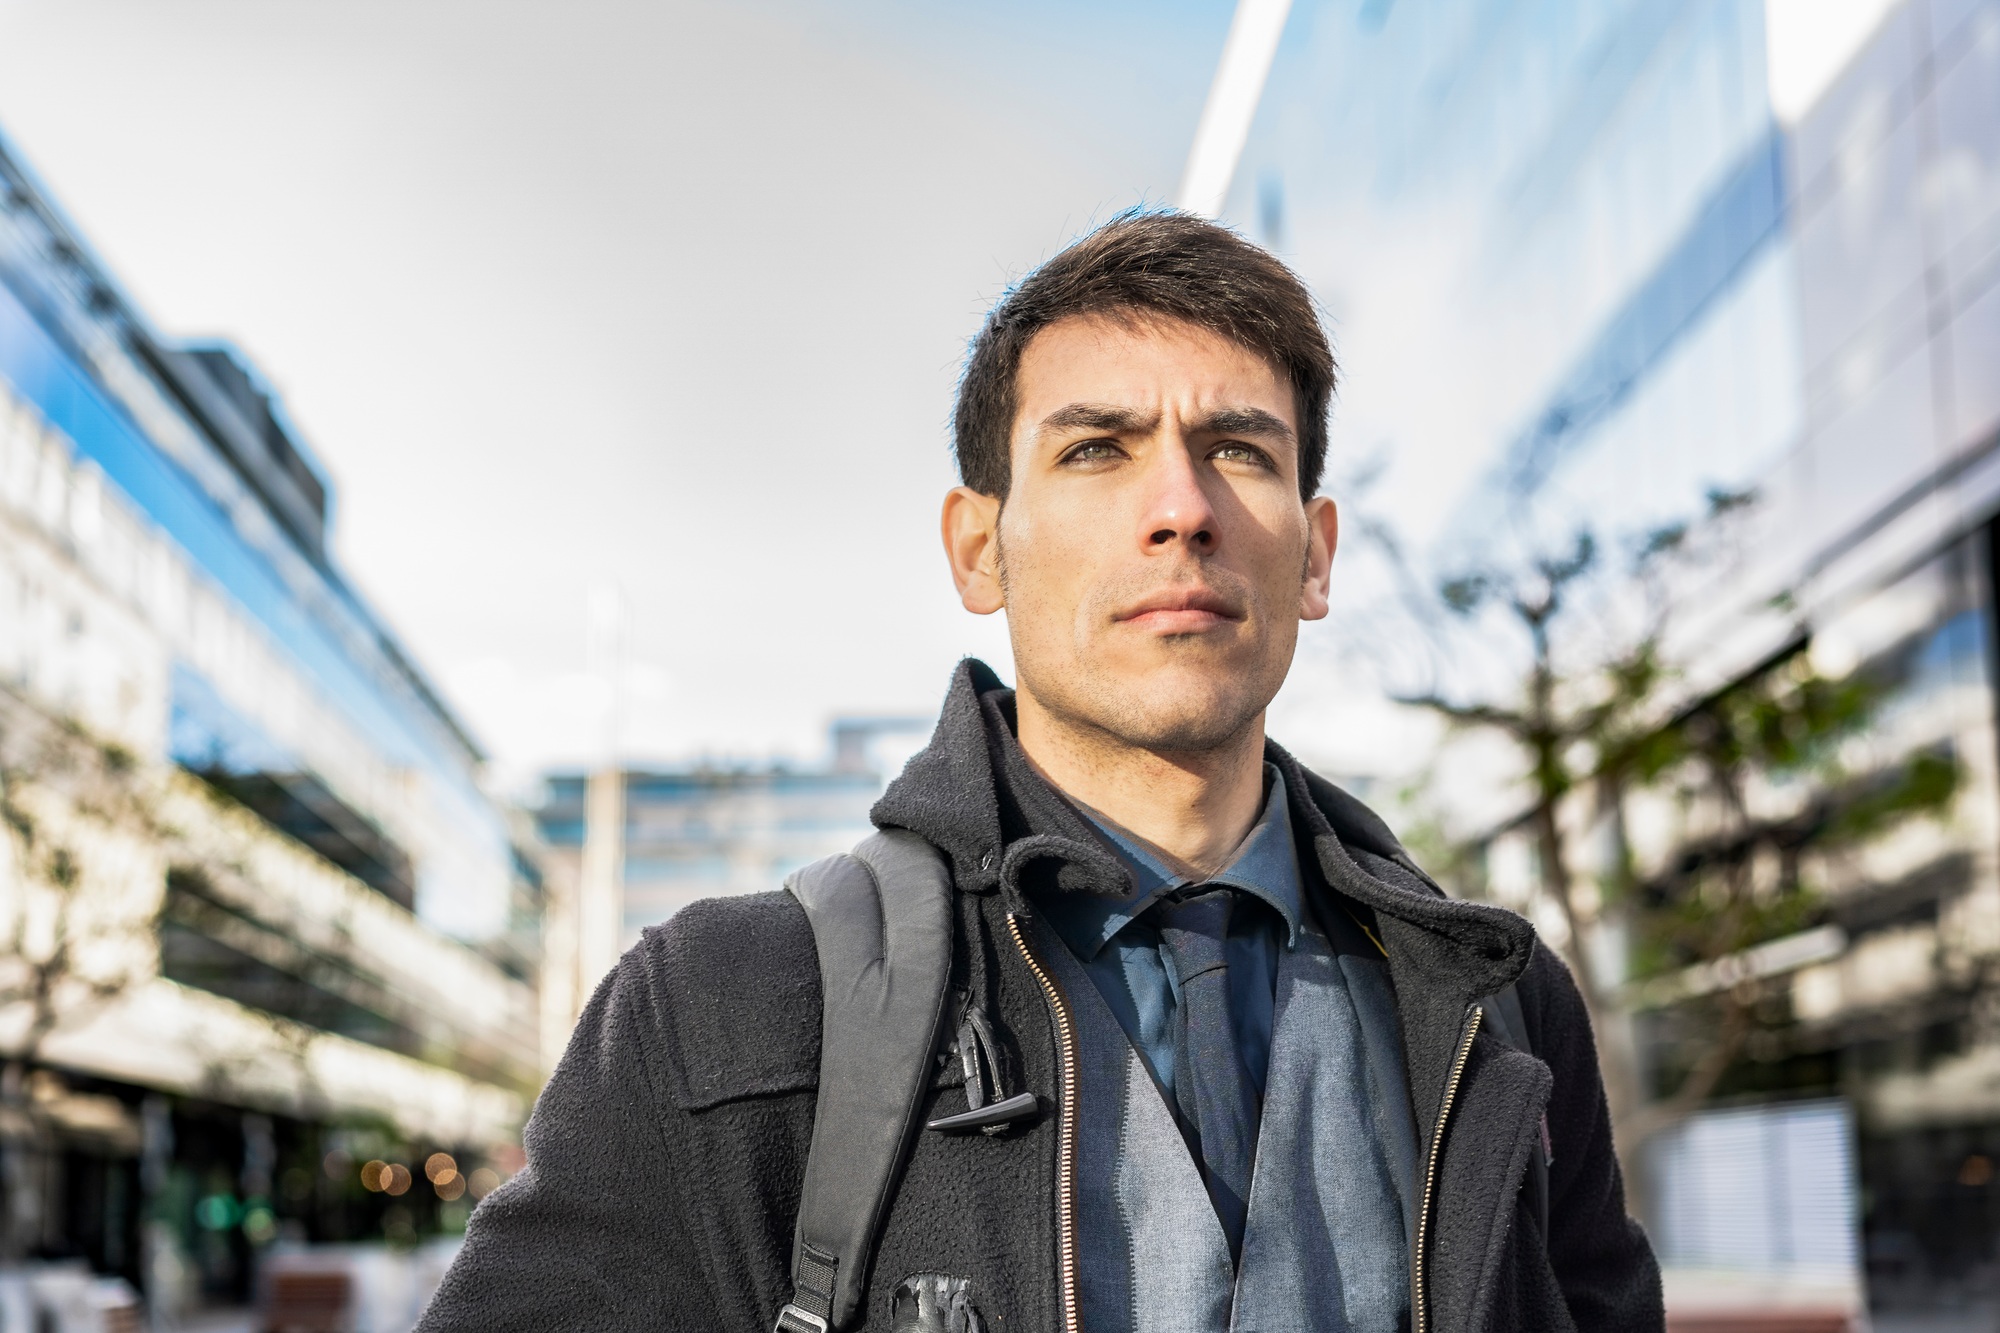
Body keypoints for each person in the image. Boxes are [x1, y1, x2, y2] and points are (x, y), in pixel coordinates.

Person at [417, 212, 1663, 1333]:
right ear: (979, 551)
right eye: (1094, 451)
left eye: (1236, 449)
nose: (1179, 508)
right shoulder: (725, 1004)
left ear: (1315, 555)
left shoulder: (1498, 1009)